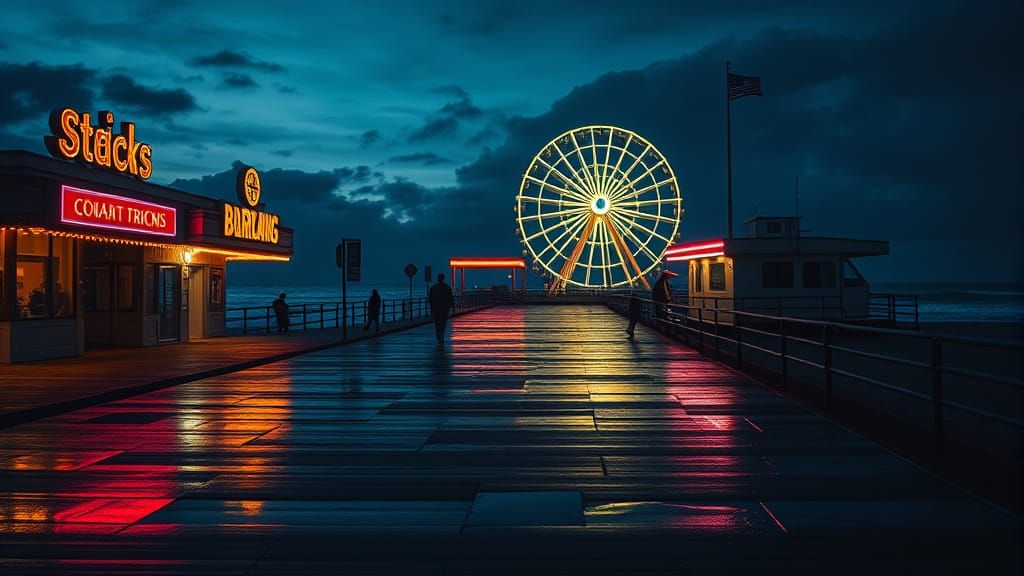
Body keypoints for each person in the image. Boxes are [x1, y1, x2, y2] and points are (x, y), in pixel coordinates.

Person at [428, 273, 455, 344]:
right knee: (443, 323)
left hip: (436, 308)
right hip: (444, 308)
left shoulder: (433, 288)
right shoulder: (447, 288)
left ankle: (438, 336)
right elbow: (451, 298)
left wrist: (431, 308)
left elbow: (430, 299)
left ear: (438, 279)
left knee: (437, 323)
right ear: (443, 279)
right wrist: (452, 307)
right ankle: (441, 336)